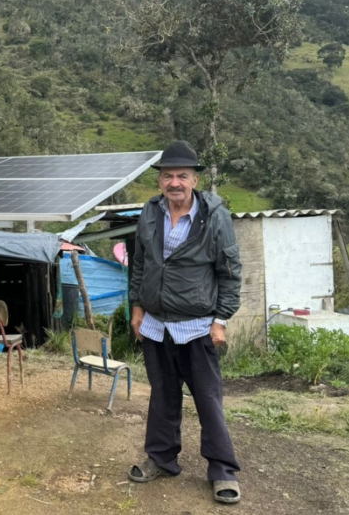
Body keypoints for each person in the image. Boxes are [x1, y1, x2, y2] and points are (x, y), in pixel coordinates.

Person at [126, 140, 243, 505]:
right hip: (156, 324)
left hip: (196, 325)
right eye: (167, 176)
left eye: (181, 176)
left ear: (194, 180)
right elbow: (140, 264)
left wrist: (221, 320)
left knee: (208, 399)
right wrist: (137, 307)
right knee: (163, 395)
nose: (174, 183)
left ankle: (223, 470)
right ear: (160, 181)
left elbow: (230, 272)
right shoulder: (149, 212)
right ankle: (162, 459)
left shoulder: (214, 217)